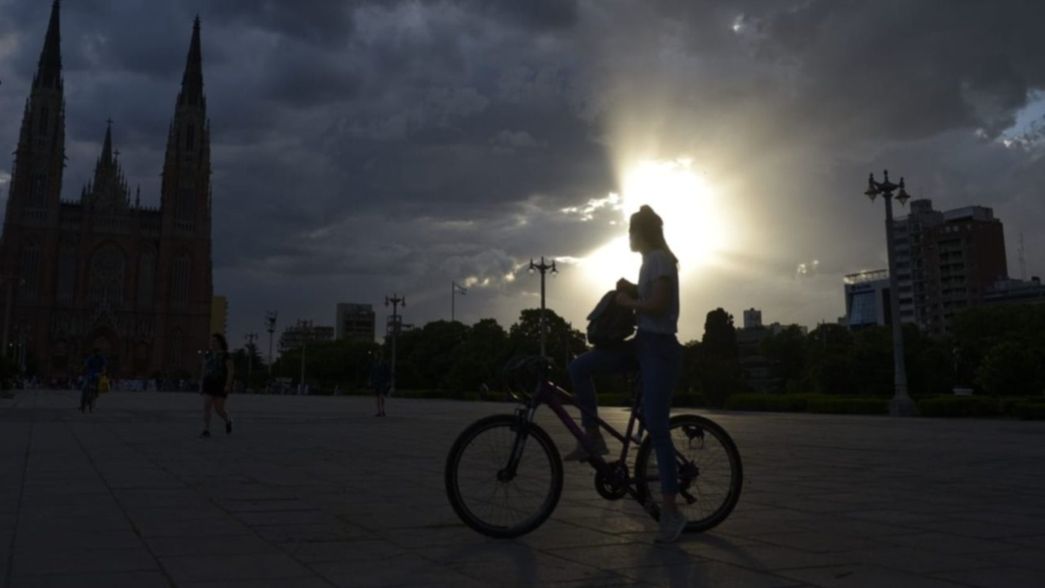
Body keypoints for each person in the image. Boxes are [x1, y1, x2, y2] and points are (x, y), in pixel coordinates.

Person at [566, 204, 686, 543]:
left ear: (641, 232)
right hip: (643, 344)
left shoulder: (660, 259)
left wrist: (628, 303)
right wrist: (634, 291)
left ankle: (671, 512)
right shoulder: (650, 261)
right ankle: (593, 437)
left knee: (658, 428)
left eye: (630, 231)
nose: (628, 237)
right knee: (579, 366)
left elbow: (660, 304)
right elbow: (652, 297)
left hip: (660, 350)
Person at [200, 333, 234, 437]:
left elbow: (230, 371)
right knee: (207, 406)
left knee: (219, 409)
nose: (212, 343)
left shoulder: (226, 355)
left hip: (220, 384)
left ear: (219, 342)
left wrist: (228, 385)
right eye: (211, 341)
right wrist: (201, 384)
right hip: (208, 383)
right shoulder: (208, 355)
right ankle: (206, 429)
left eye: (214, 341)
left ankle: (228, 420)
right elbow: (204, 370)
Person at [79, 348, 106, 413]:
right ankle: (82, 403)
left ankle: (95, 395)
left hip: (98, 374)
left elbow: (104, 366)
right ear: (94, 353)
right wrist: (83, 369)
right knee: (84, 387)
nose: (98, 353)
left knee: (97, 386)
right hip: (90, 374)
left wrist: (103, 371)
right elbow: (86, 364)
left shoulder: (101, 358)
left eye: (98, 352)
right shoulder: (91, 358)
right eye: (97, 352)